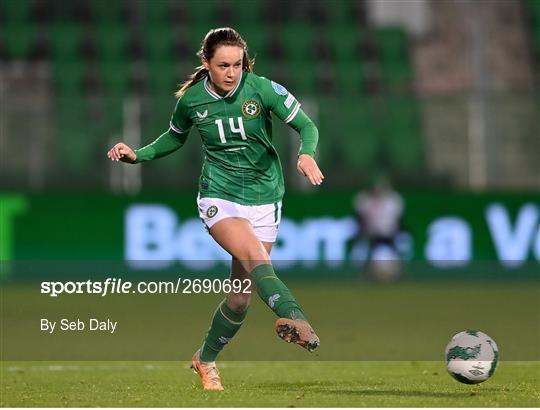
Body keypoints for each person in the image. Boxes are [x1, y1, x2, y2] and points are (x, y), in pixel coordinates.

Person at [107, 27, 324, 391]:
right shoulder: (192, 101)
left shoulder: (262, 89)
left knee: (240, 298)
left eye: (237, 64)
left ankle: (204, 360)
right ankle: (296, 318)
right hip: (219, 196)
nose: (231, 72)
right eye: (223, 65)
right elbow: (174, 136)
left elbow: (307, 125)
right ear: (205, 63)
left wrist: (306, 153)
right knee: (258, 259)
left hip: (265, 197)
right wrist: (138, 155)